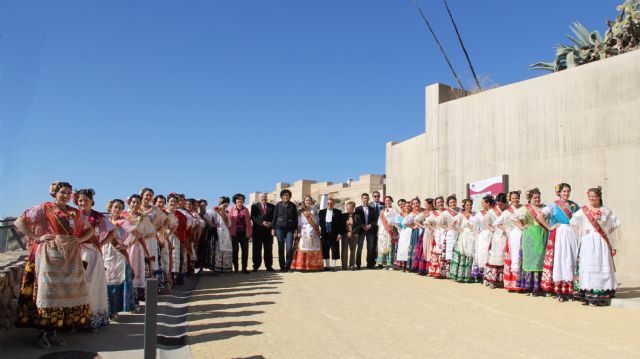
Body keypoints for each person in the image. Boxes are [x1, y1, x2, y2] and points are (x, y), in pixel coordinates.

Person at [14, 181, 93, 348]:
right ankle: (42, 333)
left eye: (69, 193)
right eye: (63, 192)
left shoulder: (74, 212)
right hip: (49, 254)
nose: (66, 196)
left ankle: (53, 332)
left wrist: (79, 239)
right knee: (48, 292)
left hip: (70, 256)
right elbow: (19, 222)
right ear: (55, 193)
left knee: (63, 293)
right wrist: (36, 237)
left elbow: (90, 229)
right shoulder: (45, 208)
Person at [571, 187, 620, 306]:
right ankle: (589, 292)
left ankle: (602, 292)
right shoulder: (584, 210)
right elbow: (573, 222)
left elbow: (615, 223)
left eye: (595, 196)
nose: (592, 198)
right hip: (589, 241)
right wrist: (584, 232)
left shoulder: (605, 210)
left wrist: (606, 231)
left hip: (601, 241)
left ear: (599, 197)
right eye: (590, 196)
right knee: (589, 264)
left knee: (601, 264)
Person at [75, 189, 114, 330]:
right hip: (77, 252)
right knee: (78, 285)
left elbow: (113, 231)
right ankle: (76, 319)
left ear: (92, 201)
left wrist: (102, 244)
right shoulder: (74, 215)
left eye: (85, 200)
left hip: (93, 253)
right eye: (80, 200)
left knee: (93, 284)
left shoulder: (98, 217)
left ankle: (93, 318)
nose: (83, 203)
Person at [538, 183, 580, 302]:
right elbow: (540, 216)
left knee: (570, 259)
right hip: (560, 234)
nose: (566, 193)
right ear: (559, 192)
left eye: (568, 191)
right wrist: (549, 227)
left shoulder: (574, 205)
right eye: (564, 191)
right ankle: (559, 290)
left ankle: (569, 290)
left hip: (571, 234)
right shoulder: (553, 206)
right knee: (560, 260)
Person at [512, 188, 549, 296]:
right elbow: (513, 217)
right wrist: (522, 227)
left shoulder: (544, 208)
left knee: (540, 260)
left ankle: (539, 286)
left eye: (538, 197)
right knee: (529, 260)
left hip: (542, 234)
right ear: (530, 198)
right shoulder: (526, 208)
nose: (537, 199)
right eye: (535, 198)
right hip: (529, 236)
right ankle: (529, 286)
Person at [105, 199, 138, 319]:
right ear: (110, 208)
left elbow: (137, 234)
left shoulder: (125, 222)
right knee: (106, 280)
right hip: (106, 251)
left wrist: (127, 244)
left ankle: (117, 309)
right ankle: (108, 309)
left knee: (120, 280)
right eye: (115, 207)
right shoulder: (105, 221)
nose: (117, 210)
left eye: (120, 208)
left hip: (119, 253)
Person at [124, 194, 157, 301]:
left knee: (138, 269)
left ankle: (137, 296)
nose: (135, 204)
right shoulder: (124, 215)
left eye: (138, 202)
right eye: (133, 202)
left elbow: (152, 232)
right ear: (129, 203)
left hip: (137, 247)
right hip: (124, 246)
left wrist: (141, 237)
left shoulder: (143, 217)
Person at [140, 188, 167, 290]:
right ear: (142, 195)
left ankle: (151, 288)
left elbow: (166, 220)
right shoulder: (136, 207)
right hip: (139, 238)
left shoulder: (155, 209)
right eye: (147, 195)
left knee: (152, 260)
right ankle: (140, 289)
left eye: (151, 195)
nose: (148, 197)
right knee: (140, 260)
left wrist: (159, 230)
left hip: (151, 238)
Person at [291, 196, 324, 271]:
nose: (308, 201)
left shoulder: (315, 211)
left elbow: (317, 222)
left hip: (313, 230)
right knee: (303, 247)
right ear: (304, 201)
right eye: (306, 200)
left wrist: (318, 231)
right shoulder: (301, 211)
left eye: (309, 200)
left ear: (311, 201)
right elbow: (299, 223)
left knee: (314, 246)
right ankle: (302, 266)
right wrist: (298, 232)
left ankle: (314, 265)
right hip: (304, 230)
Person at [484, 193, 509, 288]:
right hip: (497, 236)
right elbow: (487, 223)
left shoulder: (508, 210)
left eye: (502, 204)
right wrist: (492, 230)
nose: (500, 206)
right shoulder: (492, 211)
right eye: (498, 204)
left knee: (504, 256)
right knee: (495, 257)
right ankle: (492, 279)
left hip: (507, 234)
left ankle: (503, 279)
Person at [502, 191, 526, 292]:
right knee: (513, 259)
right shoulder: (507, 212)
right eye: (513, 198)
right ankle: (511, 284)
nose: (515, 200)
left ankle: (522, 284)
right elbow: (498, 223)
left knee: (522, 259)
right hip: (512, 238)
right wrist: (508, 230)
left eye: (516, 198)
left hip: (524, 236)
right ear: (510, 200)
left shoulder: (524, 208)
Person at [271, 189, 298, 272]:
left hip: (290, 229)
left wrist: (296, 230)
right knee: (281, 247)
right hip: (279, 228)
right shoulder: (278, 205)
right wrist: (273, 228)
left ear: (289, 196)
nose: (285, 197)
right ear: (282, 197)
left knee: (289, 248)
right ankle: (282, 267)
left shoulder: (293, 206)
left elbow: (295, 218)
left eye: (287, 195)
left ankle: (288, 266)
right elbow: (274, 217)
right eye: (284, 195)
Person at [450, 199, 476, 282]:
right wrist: (458, 230)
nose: (469, 206)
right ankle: (460, 275)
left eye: (470, 205)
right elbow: (452, 223)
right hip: (463, 236)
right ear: (464, 206)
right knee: (462, 253)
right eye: (467, 205)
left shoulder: (474, 214)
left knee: (470, 254)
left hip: (472, 236)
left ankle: (468, 276)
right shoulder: (461, 214)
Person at [470, 195, 495, 283]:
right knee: (482, 255)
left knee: (490, 255)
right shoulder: (479, 214)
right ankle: (483, 275)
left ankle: (490, 275)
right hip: (483, 236)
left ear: (488, 203)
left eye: (483, 203)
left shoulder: (494, 211)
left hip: (493, 235)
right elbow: (472, 223)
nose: (482, 204)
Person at [250, 193, 275, 272]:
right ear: (259, 198)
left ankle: (269, 266)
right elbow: (253, 217)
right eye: (262, 197)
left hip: (268, 231)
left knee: (268, 249)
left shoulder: (272, 207)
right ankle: (256, 266)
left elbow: (275, 217)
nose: (264, 198)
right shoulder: (254, 206)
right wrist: (262, 223)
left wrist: (271, 223)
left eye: (265, 197)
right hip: (257, 231)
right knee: (256, 249)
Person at [229, 193, 252, 274]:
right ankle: (236, 268)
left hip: (244, 233)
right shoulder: (231, 209)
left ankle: (244, 268)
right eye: (238, 199)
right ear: (235, 201)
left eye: (241, 199)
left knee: (245, 251)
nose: (240, 201)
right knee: (235, 251)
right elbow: (229, 222)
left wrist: (249, 233)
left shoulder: (246, 210)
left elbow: (248, 222)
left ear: (243, 201)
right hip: (234, 233)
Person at [209, 197, 233, 273]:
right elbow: (207, 217)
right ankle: (216, 267)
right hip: (217, 232)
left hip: (225, 232)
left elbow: (228, 224)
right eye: (224, 203)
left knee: (226, 250)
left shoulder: (226, 212)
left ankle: (225, 267)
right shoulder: (213, 210)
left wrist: (223, 213)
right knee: (218, 250)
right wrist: (212, 225)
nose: (226, 204)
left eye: (227, 203)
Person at [318, 198, 343, 271]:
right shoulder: (321, 212)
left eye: (331, 203)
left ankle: (333, 266)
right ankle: (327, 266)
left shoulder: (338, 212)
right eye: (328, 203)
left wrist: (340, 234)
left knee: (335, 249)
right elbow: (319, 223)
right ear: (326, 204)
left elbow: (341, 224)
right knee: (325, 249)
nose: (329, 205)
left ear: (334, 204)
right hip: (324, 234)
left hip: (335, 234)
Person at [376, 196, 399, 269]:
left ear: (392, 201)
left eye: (389, 200)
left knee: (391, 247)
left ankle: (391, 263)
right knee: (383, 247)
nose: (388, 202)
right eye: (386, 201)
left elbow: (397, 220)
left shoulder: (395, 210)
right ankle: (385, 264)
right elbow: (379, 222)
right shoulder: (382, 211)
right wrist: (379, 232)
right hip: (383, 231)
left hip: (391, 230)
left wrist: (392, 224)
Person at [355, 193, 376, 269]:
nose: (365, 199)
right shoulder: (357, 209)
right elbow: (357, 220)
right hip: (361, 230)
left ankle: (369, 265)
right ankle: (358, 265)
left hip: (370, 230)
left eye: (367, 198)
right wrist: (362, 226)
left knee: (370, 248)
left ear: (368, 199)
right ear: (362, 199)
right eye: (364, 198)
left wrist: (370, 226)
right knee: (359, 248)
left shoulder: (372, 209)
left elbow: (374, 220)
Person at [341, 201, 362, 270]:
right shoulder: (343, 215)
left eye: (349, 207)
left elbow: (359, 226)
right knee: (344, 250)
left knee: (353, 251)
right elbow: (341, 225)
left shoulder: (357, 216)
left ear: (353, 208)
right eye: (347, 207)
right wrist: (347, 232)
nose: (347, 208)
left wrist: (352, 232)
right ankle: (344, 266)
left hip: (354, 235)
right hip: (345, 235)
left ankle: (352, 266)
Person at [394, 201, 414, 272]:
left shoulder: (413, 214)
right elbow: (396, 224)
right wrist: (400, 229)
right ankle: (404, 265)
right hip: (403, 232)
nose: (407, 207)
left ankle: (410, 265)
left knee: (410, 247)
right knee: (403, 248)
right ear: (404, 207)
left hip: (411, 232)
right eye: (406, 206)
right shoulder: (400, 215)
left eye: (409, 206)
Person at [370, 191, 383, 267]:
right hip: (371, 228)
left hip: (381, 228)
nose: (376, 197)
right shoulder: (369, 205)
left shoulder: (383, 205)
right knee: (372, 246)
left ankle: (380, 263)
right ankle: (372, 263)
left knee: (380, 245)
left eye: (378, 196)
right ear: (372, 197)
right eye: (375, 196)